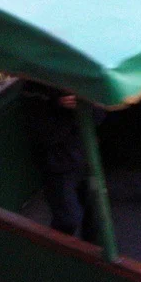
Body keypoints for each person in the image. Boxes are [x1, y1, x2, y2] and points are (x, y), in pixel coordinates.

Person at [21, 81, 99, 241]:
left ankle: (92, 257)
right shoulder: (34, 89)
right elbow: (44, 134)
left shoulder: (82, 79)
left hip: (86, 159)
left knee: (95, 214)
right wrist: (59, 107)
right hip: (57, 165)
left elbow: (99, 116)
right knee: (68, 218)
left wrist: (85, 105)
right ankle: (56, 251)